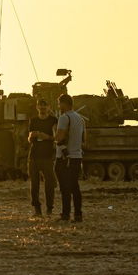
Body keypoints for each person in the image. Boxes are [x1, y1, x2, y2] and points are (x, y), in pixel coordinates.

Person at [53, 93, 86, 223]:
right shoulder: (80, 119)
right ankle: (78, 214)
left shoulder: (64, 117)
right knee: (75, 187)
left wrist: (55, 133)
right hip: (77, 156)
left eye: (59, 103)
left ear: (64, 104)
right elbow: (84, 139)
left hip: (65, 158)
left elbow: (59, 138)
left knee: (64, 188)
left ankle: (65, 214)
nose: (58, 106)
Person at [26, 98, 58, 217]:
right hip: (34, 155)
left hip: (47, 156)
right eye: (41, 106)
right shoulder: (33, 121)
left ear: (49, 107)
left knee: (49, 184)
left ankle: (49, 208)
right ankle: (37, 209)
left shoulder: (53, 120)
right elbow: (29, 138)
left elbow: (56, 138)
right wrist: (33, 135)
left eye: (45, 106)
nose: (43, 108)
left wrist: (47, 137)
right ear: (37, 107)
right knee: (34, 184)